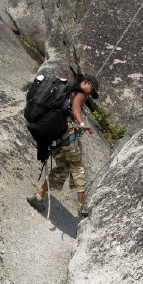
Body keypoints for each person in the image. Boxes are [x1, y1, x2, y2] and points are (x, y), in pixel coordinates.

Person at [27, 73, 99, 217]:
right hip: (68, 136)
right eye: (91, 90)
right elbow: (76, 109)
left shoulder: (66, 93)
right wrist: (83, 124)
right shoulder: (78, 93)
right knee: (77, 167)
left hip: (55, 139)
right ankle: (82, 207)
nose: (90, 94)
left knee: (63, 168)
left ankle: (39, 195)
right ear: (85, 82)